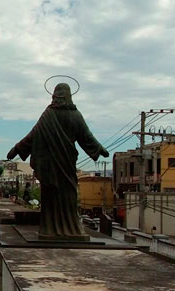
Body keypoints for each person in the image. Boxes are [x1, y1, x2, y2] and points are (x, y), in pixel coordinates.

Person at [7, 83, 109, 239]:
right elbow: (87, 137)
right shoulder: (75, 115)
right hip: (65, 165)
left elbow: (32, 136)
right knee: (68, 196)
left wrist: (16, 149)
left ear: (55, 95)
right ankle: (70, 229)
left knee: (53, 198)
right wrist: (99, 148)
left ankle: (50, 229)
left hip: (51, 167)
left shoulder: (49, 114)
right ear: (69, 96)